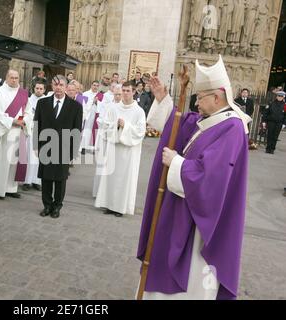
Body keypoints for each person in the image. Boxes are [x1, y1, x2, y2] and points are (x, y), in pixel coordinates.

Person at [137, 56, 252, 300]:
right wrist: (163, 100)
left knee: (191, 281)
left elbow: (212, 178)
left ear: (217, 97)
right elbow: (182, 123)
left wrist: (176, 164)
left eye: (200, 98)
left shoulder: (232, 128)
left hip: (200, 224)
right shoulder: (210, 122)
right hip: (184, 211)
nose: (196, 103)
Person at [33, 75, 83, 219]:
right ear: (52, 86)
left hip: (64, 148)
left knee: (60, 179)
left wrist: (73, 151)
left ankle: (57, 206)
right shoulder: (42, 103)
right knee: (46, 178)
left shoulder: (75, 107)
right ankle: (47, 205)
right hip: (45, 146)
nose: (58, 87)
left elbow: (76, 131)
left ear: (66, 87)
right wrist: (36, 145)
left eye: (61, 84)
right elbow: (37, 125)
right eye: (55, 85)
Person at [94, 82, 146, 216]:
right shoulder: (114, 108)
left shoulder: (139, 111)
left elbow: (140, 132)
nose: (125, 93)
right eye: (124, 90)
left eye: (128, 91)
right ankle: (108, 204)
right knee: (110, 177)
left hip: (128, 152)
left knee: (123, 179)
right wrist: (115, 125)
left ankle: (119, 208)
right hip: (113, 148)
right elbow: (104, 126)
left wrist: (126, 126)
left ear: (133, 92)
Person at [0, 70, 32, 199]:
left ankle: (11, 189)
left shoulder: (23, 93)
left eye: (16, 78)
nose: (14, 80)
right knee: (3, 161)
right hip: (5, 132)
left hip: (19, 133)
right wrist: (13, 121)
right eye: (11, 77)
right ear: (6, 78)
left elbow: (28, 111)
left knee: (14, 162)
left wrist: (24, 120)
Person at [92, 84, 122, 197]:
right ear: (113, 94)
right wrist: (110, 125)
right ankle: (98, 191)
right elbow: (100, 119)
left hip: (116, 140)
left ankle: (109, 193)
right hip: (105, 138)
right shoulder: (107, 105)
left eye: (120, 94)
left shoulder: (124, 107)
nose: (118, 97)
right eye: (116, 94)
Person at [22, 82, 46, 191]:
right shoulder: (28, 100)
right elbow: (25, 114)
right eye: (37, 88)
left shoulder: (47, 101)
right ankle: (27, 181)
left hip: (42, 132)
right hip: (30, 131)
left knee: (39, 157)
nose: (39, 90)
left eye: (41, 88)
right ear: (34, 89)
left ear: (44, 90)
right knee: (29, 156)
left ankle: (37, 181)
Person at [81, 80, 101, 152]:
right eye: (94, 85)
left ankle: (92, 148)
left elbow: (102, 106)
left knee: (94, 132)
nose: (95, 87)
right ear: (91, 85)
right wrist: (93, 101)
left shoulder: (100, 95)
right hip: (87, 115)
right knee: (86, 131)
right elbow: (82, 105)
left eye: (97, 86)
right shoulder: (85, 94)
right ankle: (83, 147)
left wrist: (97, 102)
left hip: (95, 115)